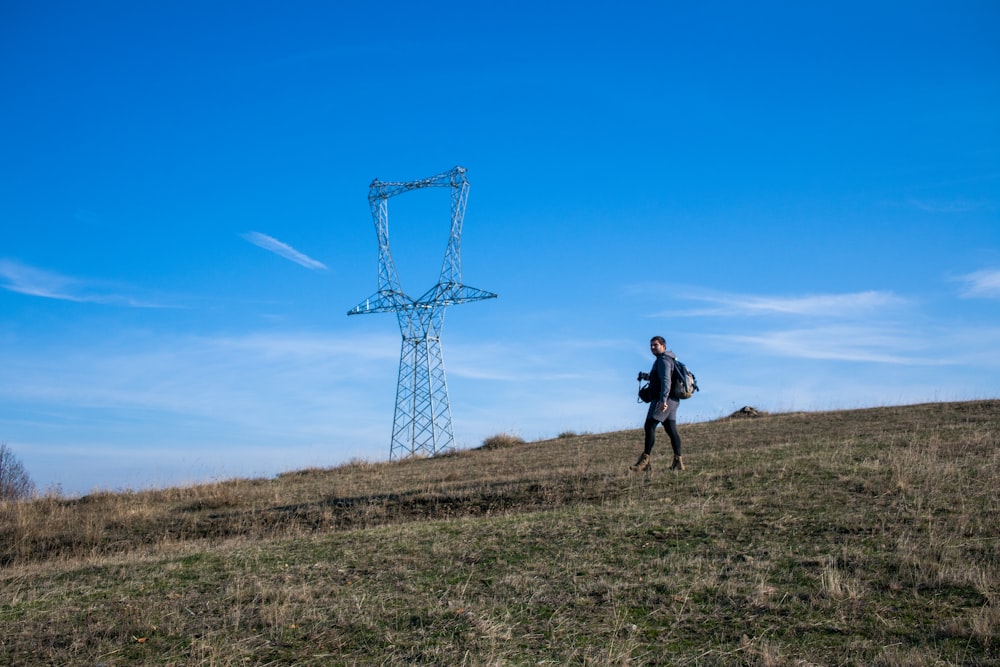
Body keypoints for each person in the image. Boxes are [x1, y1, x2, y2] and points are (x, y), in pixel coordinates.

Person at [631, 336, 684, 472]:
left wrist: (663, 400)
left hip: (663, 399)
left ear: (663, 346)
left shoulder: (663, 360)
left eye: (656, 345)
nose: (653, 348)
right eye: (651, 346)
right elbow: (660, 378)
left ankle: (645, 462)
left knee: (649, 425)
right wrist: (646, 376)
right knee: (671, 429)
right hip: (673, 400)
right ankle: (678, 462)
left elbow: (666, 380)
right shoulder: (667, 359)